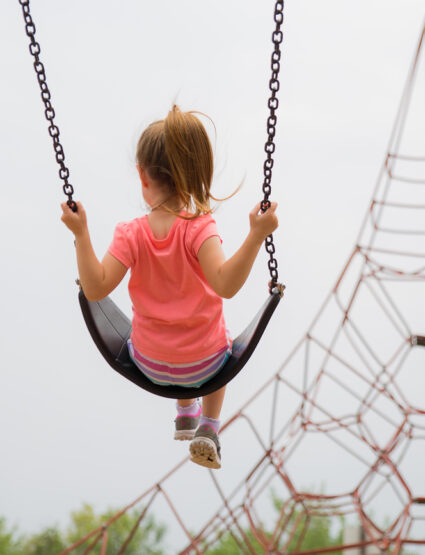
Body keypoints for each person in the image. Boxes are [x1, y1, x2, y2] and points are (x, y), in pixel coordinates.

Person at [60, 105, 279, 469]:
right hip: (206, 367)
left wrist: (81, 234)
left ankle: (183, 411)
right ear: (192, 175)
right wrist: (256, 236)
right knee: (218, 340)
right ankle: (207, 425)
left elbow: (95, 289)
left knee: (173, 336)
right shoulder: (199, 228)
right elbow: (226, 285)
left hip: (149, 364)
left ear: (142, 177)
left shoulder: (131, 234)